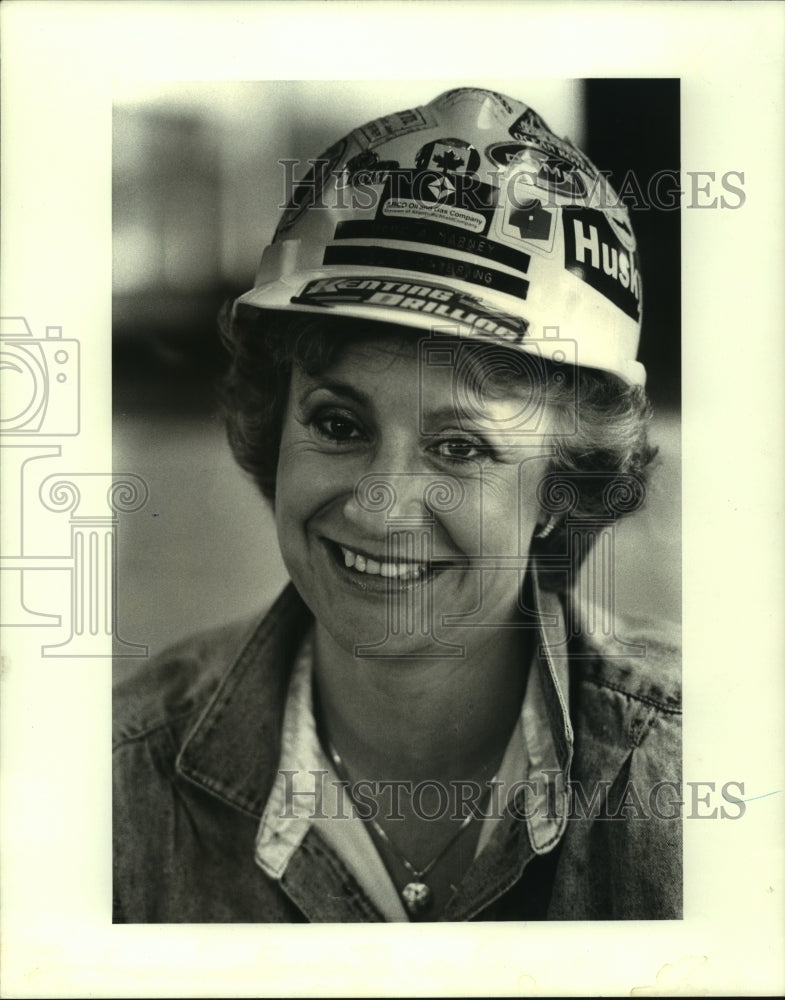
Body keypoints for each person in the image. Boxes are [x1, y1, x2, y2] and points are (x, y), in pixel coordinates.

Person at [113, 87, 681, 923]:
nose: (380, 510)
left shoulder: (701, 779)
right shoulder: (113, 785)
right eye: (338, 424)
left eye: (460, 448)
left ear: (560, 489)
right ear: (277, 431)